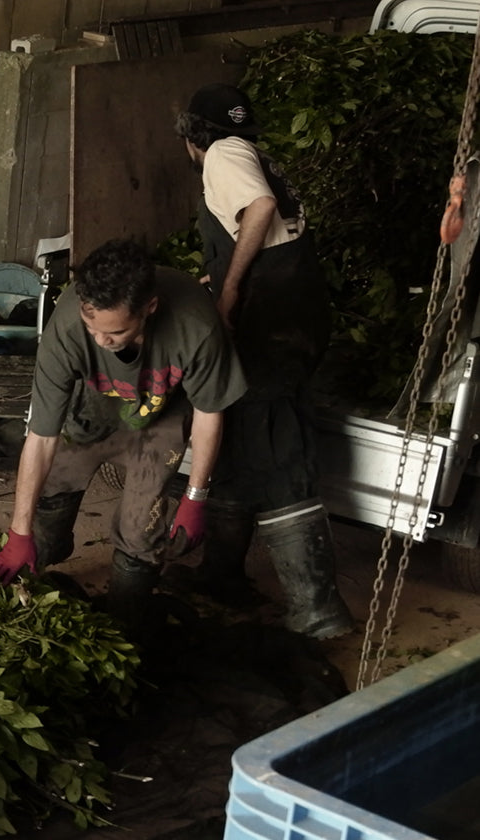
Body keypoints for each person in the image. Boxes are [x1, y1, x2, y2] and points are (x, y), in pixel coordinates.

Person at [0, 238, 247, 624]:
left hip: (163, 413)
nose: (101, 342)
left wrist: (195, 497)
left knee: (141, 530)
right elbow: (40, 439)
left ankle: (123, 621)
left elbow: (209, 415)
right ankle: (40, 560)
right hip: (94, 403)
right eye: (94, 329)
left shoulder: (196, 326)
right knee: (51, 488)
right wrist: (18, 531)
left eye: (115, 333)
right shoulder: (69, 328)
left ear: (149, 308)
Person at [172, 82, 355, 639]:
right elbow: (269, 234)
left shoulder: (223, 154)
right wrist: (217, 275)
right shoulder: (256, 154)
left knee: (275, 446)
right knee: (239, 427)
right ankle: (222, 573)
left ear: (191, 136)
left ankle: (317, 609)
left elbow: (261, 210)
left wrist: (228, 294)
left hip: (270, 322)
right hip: (297, 311)